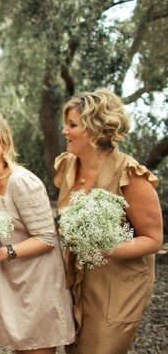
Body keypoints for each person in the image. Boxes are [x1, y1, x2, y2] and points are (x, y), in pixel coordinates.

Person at [54, 88, 163, 354]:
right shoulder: (68, 165)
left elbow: (154, 239)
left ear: (93, 129)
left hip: (117, 286)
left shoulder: (130, 174)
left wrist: (103, 249)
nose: (64, 131)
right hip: (76, 279)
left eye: (72, 125)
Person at [0, 111, 75, 354]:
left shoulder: (22, 182)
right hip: (12, 281)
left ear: (4, 140)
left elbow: (47, 238)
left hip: (39, 283)